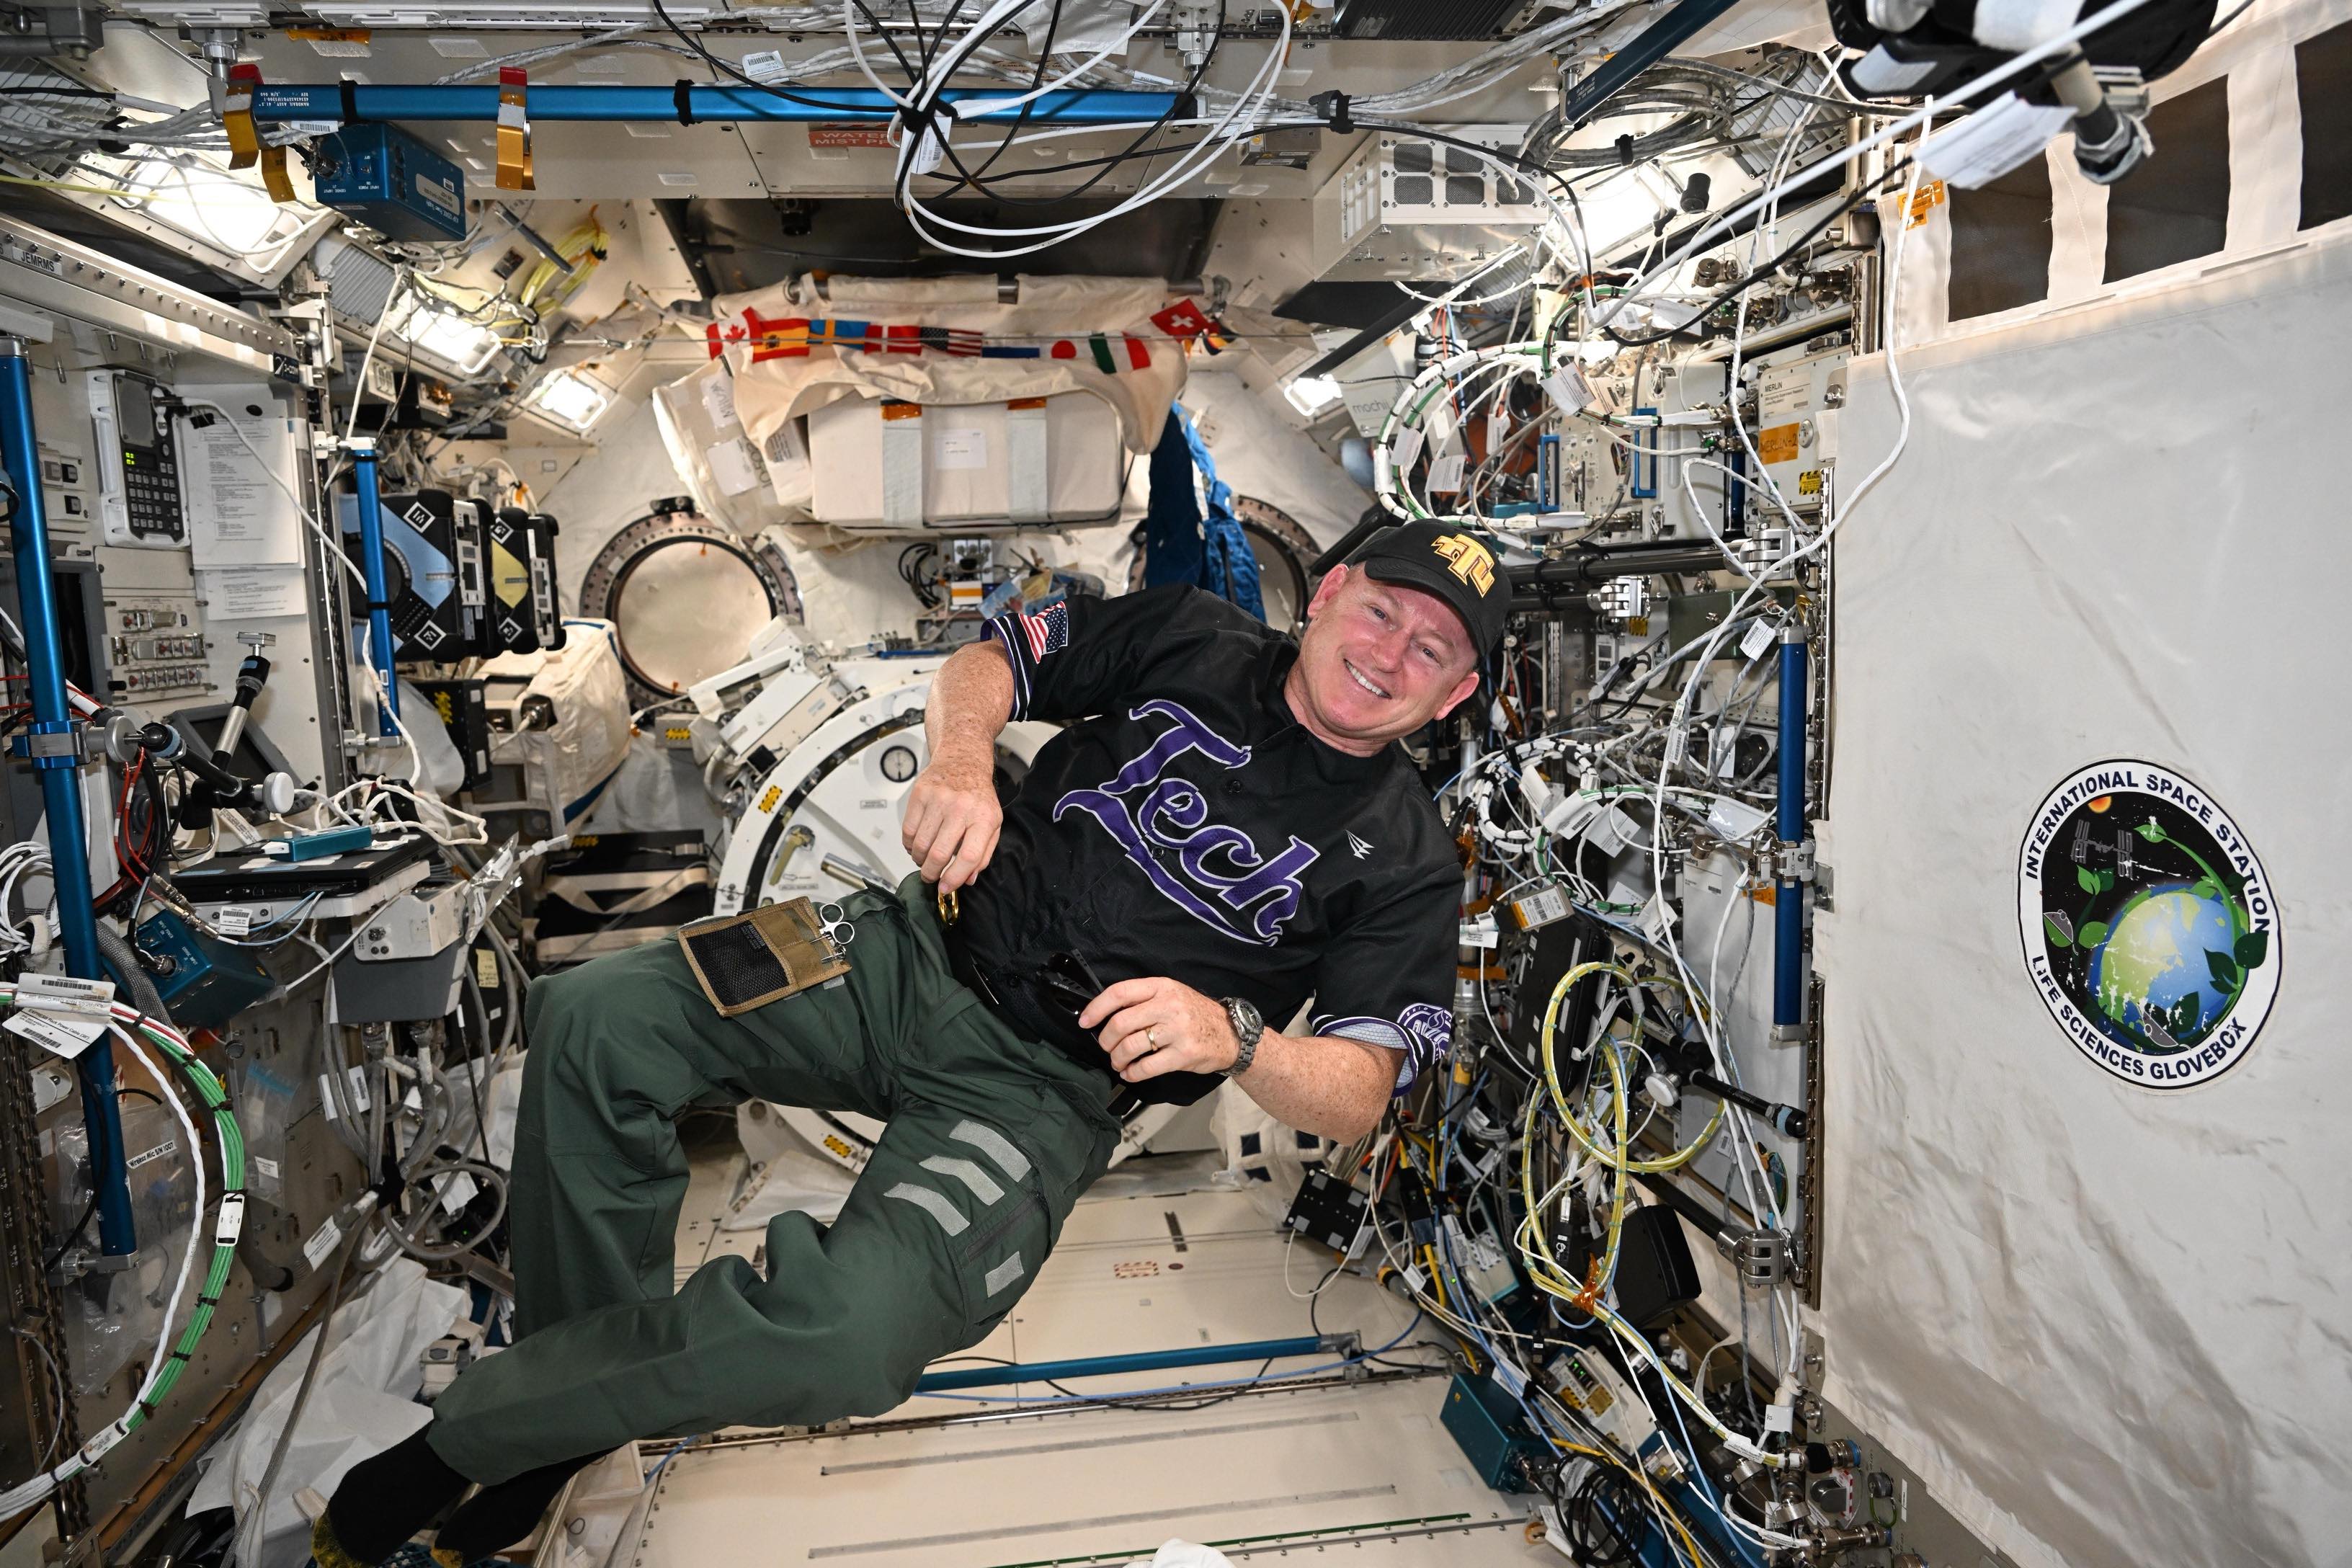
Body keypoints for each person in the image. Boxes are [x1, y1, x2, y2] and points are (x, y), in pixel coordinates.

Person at [309, 522, 1505, 1568]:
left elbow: (1361, 1093)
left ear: (1451, 698)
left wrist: (1237, 1038)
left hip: (1041, 1092)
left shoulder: (1405, 860)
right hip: (896, 949)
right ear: (1329, 591)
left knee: (852, 1338)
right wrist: (963, 762)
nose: (1389, 654)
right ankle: (555, 1421)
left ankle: (490, 1432)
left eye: (1432, 651)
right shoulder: (1190, 633)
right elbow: (990, 664)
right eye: (1382, 612)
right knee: (594, 1019)